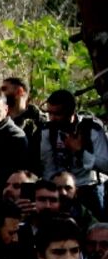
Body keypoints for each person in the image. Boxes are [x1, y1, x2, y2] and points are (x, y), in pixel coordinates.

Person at [39, 89, 108, 217]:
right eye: (50, 113)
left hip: (88, 188)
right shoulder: (48, 131)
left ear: (71, 112)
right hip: (59, 188)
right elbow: (47, 165)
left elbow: (106, 165)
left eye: (57, 114)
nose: (52, 118)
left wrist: (80, 152)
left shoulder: (92, 130)